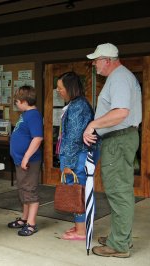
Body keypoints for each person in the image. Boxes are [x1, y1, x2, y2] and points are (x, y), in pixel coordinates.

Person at [83, 43, 142, 258]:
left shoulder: (118, 78)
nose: (94, 64)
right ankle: (120, 237)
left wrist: (93, 125)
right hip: (120, 139)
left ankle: (119, 245)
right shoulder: (122, 77)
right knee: (120, 189)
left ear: (107, 60)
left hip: (118, 140)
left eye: (96, 60)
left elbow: (121, 112)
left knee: (118, 191)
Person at [55, 71, 96, 240]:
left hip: (77, 156)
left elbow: (74, 137)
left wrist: (68, 164)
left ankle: (81, 231)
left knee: (77, 190)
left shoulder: (78, 106)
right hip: (77, 155)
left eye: (60, 88)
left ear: (70, 88)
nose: (58, 91)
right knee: (76, 189)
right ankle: (80, 225)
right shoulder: (76, 104)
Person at [8, 85, 43, 236]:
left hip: (29, 162)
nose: (16, 104)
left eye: (16, 101)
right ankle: (24, 218)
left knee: (30, 191)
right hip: (21, 161)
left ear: (23, 101)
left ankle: (31, 223)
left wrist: (27, 156)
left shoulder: (33, 115)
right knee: (23, 190)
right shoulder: (25, 114)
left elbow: (37, 138)